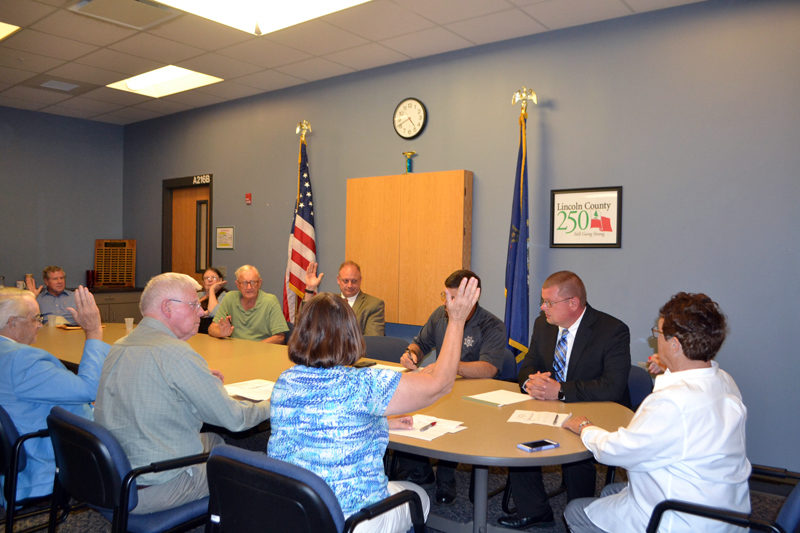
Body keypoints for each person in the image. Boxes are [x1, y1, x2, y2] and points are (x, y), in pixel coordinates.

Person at [268, 276, 479, 533]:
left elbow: (326, 421)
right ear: (350, 334)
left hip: (292, 511)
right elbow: (441, 383)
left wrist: (378, 423)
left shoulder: (285, 381)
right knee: (417, 496)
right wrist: (456, 320)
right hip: (349, 520)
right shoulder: (363, 385)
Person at [563, 292, 750, 533]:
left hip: (681, 519)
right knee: (611, 491)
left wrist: (585, 427)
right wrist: (670, 365)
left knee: (576, 511)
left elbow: (617, 451)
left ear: (675, 345)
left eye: (658, 333)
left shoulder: (671, 403)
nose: (656, 339)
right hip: (724, 510)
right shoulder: (724, 381)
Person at [94, 273, 269, 514]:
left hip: (115, 474)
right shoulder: (176, 353)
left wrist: (198, 383)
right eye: (194, 304)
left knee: (216, 441)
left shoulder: (121, 345)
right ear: (167, 307)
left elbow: (156, 392)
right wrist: (275, 403)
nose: (202, 312)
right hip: (152, 485)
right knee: (256, 466)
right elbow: (236, 420)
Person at [499, 270, 630, 529]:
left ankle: (581, 517)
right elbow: (528, 365)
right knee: (518, 438)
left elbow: (612, 388)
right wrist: (530, 383)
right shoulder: (543, 325)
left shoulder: (612, 330)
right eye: (542, 301)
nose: (542, 307)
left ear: (573, 303)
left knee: (576, 452)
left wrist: (560, 391)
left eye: (549, 302)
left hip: (593, 411)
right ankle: (534, 510)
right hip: (543, 407)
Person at [397, 269, 508, 504]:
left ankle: (446, 478)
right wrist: (411, 354)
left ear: (472, 298)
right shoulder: (440, 315)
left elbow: (489, 369)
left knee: (450, 420)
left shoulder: (492, 325)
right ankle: (419, 471)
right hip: (444, 389)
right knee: (411, 410)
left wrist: (449, 365)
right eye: (446, 296)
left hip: (477, 398)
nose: (449, 304)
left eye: (455, 298)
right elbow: (420, 343)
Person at [0, 286, 109, 507]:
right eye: (35, 318)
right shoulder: (23, 360)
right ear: (12, 323)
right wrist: (94, 332)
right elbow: (89, 389)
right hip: (43, 467)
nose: (40, 324)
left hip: (11, 463)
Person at [208, 265, 289, 343]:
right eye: (244, 283)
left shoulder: (270, 301)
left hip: (262, 351)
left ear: (259, 283)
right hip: (235, 351)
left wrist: (254, 348)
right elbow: (212, 328)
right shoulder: (230, 298)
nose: (249, 287)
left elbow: (280, 337)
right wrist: (221, 333)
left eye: (253, 282)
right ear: (238, 285)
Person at [304, 261, 385, 336]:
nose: (350, 285)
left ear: (360, 280)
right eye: (345, 281)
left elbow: (372, 343)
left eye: (354, 281)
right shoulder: (328, 301)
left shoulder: (374, 305)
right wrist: (310, 289)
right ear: (338, 280)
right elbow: (305, 324)